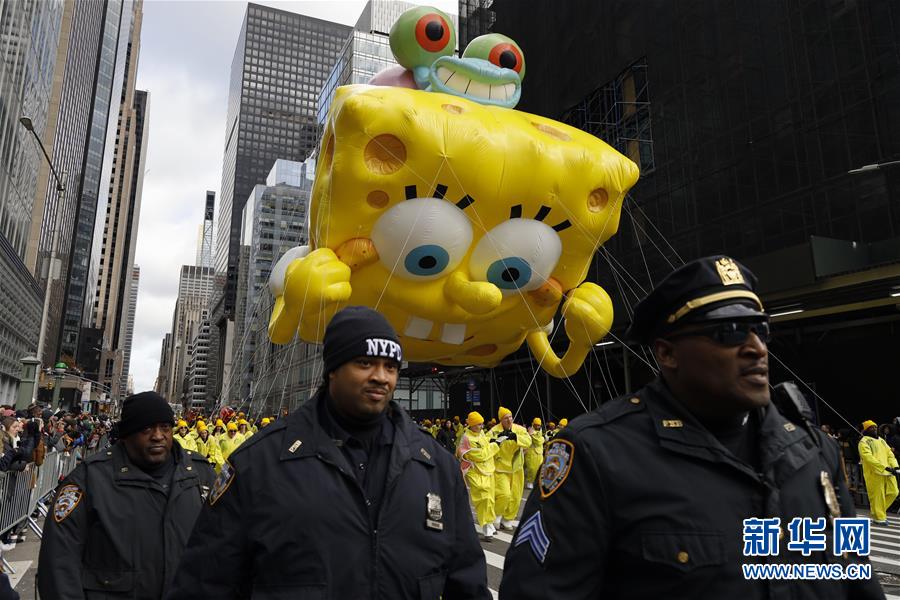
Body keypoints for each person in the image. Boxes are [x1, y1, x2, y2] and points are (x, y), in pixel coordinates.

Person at [500, 255, 886, 599]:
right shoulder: (598, 457)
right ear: (667, 353)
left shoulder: (814, 451)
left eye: (760, 329)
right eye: (730, 330)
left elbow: (857, 581)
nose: (756, 348)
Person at [169, 306, 489, 598]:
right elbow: (203, 583)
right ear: (333, 369)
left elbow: (467, 583)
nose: (381, 376)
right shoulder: (259, 462)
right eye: (365, 363)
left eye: (391, 366)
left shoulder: (436, 466)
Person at [38, 391, 215, 599]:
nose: (158, 436)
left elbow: (225, 548)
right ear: (126, 435)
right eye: (147, 429)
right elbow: (58, 564)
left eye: (165, 427)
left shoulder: (200, 473)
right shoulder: (89, 480)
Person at [458, 410, 500, 541]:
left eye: (482, 424)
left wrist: (493, 439)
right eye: (478, 424)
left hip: (488, 470)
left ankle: (489, 524)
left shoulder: (480, 433)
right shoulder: (467, 438)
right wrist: (496, 445)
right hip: (474, 471)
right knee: (483, 498)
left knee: (490, 499)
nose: (481, 426)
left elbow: (484, 443)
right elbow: (480, 455)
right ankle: (486, 528)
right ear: (471, 424)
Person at [488, 407, 531, 530]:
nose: (509, 419)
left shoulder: (520, 429)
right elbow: (486, 442)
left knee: (515, 496)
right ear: (501, 420)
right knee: (504, 494)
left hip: (516, 468)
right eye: (505, 418)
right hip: (500, 468)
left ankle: (507, 519)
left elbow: (528, 441)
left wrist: (515, 437)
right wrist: (494, 441)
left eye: (510, 417)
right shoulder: (494, 431)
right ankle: (497, 515)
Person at [858, 419, 899, 525]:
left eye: (875, 427)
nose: (874, 429)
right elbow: (868, 458)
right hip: (874, 473)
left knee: (894, 492)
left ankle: (877, 512)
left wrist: (895, 466)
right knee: (877, 496)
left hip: (888, 471)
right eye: (871, 427)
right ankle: (879, 518)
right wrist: (883, 467)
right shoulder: (864, 442)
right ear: (866, 430)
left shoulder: (881, 440)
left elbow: (890, 454)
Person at [524, 418, 545, 488]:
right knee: (532, 468)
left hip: (540, 453)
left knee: (540, 468)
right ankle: (529, 482)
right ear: (533, 424)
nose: (537, 426)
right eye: (536, 425)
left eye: (538, 425)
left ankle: (536, 481)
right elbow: (538, 441)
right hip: (531, 453)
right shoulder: (530, 431)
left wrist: (542, 439)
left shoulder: (540, 431)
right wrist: (543, 439)